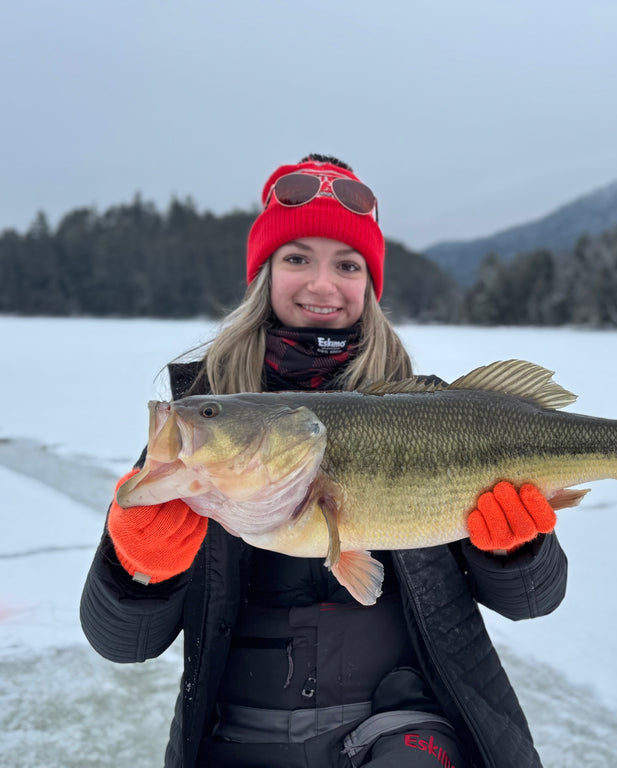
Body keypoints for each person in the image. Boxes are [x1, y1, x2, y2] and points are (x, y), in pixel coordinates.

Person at [80, 154, 569, 768]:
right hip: (237, 738)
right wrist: (139, 569)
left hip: (408, 726)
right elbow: (122, 643)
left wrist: (516, 549)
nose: (322, 284)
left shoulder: (434, 413)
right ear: (263, 276)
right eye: (296, 259)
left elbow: (533, 600)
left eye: (347, 264)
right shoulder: (197, 444)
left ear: (369, 284)